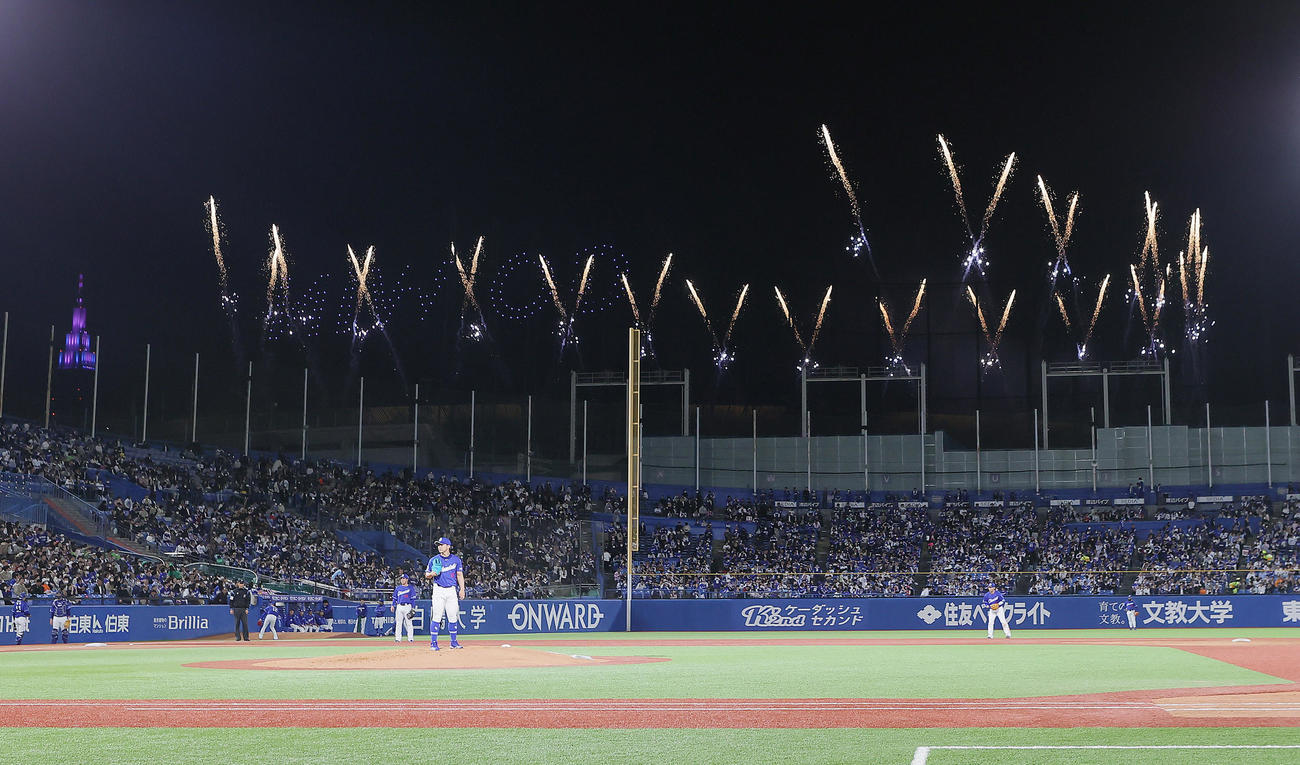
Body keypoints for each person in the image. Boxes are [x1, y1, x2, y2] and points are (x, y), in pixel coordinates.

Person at [424, 536, 465, 651]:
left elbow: (459, 575)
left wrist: (462, 589)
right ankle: (433, 643)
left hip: (452, 590)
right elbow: (426, 575)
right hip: (439, 590)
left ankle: (453, 642)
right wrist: (432, 573)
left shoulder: (456, 560)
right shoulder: (434, 560)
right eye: (438, 545)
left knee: (453, 616)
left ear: (448, 546)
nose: (439, 547)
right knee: (437, 615)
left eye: (441, 545)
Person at [391, 573, 417, 643]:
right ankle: (398, 638)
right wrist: (393, 605)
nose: (402, 580)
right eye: (401, 578)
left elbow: (413, 600)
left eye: (403, 578)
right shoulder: (398, 588)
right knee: (398, 623)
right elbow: (394, 598)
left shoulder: (410, 588)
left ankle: (410, 638)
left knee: (409, 623)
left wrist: (413, 608)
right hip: (399, 606)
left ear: (407, 579)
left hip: (407, 606)